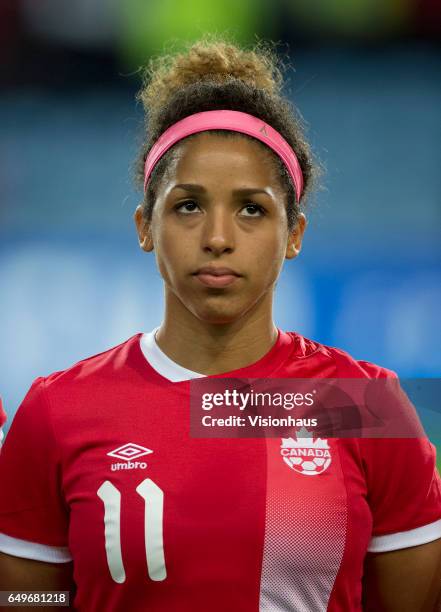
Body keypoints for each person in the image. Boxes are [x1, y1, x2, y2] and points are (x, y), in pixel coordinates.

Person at [1, 39, 441, 612]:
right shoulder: (57, 411)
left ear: (295, 234)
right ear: (145, 226)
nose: (217, 237)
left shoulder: (364, 405)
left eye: (252, 209)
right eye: (187, 205)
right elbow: (28, 598)